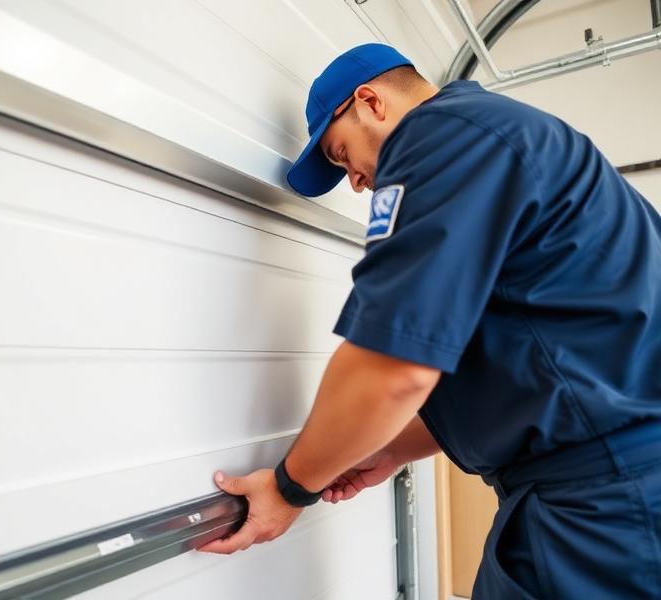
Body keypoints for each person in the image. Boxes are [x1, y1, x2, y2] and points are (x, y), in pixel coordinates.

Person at [198, 43, 661, 598]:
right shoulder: (503, 136)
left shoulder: (440, 138)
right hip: (622, 492)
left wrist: (289, 488)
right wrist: (392, 447)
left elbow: (394, 366)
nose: (357, 182)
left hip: (602, 510)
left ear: (371, 102)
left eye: (344, 156)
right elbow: (542, 367)